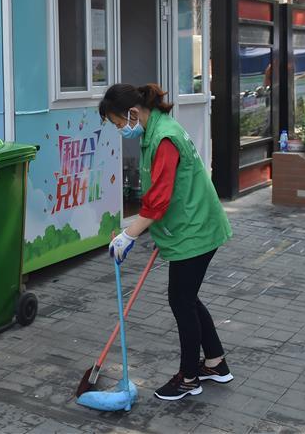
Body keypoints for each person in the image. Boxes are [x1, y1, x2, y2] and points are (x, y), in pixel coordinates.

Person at [100, 83, 233, 402]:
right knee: (187, 298)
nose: (121, 131)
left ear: (132, 113)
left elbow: (157, 202)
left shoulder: (163, 138)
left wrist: (127, 236)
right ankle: (215, 363)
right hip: (191, 224)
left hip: (196, 229)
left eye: (119, 124)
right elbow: (163, 193)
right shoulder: (155, 130)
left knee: (181, 301)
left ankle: (189, 378)